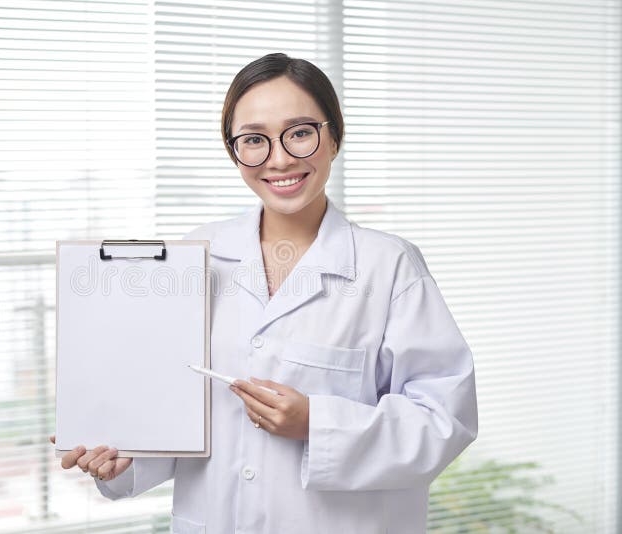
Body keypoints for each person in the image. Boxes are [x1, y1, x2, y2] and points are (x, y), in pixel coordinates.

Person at [53, 52, 478, 533]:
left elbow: (444, 421)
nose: (278, 159)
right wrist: (125, 458)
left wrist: (316, 423)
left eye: (299, 133)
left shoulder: (391, 266)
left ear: (334, 136)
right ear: (235, 151)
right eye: (254, 140)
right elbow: (175, 410)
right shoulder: (197, 257)